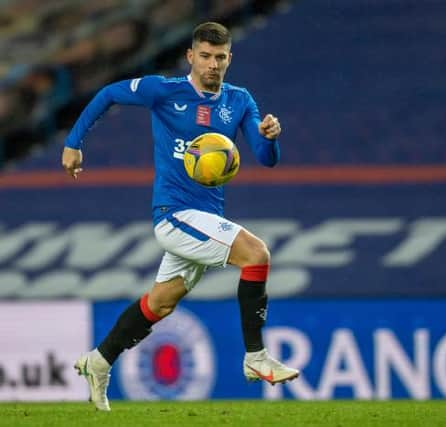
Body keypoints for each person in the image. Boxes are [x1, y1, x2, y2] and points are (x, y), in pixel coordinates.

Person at [61, 22, 299, 411]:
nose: (212, 64)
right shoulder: (165, 91)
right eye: (205, 56)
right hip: (173, 213)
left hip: (206, 215)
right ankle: (256, 357)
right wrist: (73, 143)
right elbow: (108, 94)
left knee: (163, 301)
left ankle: (98, 361)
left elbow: (266, 158)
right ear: (190, 56)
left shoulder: (239, 101)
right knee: (256, 254)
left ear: (229, 59)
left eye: (220, 57)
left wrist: (271, 138)